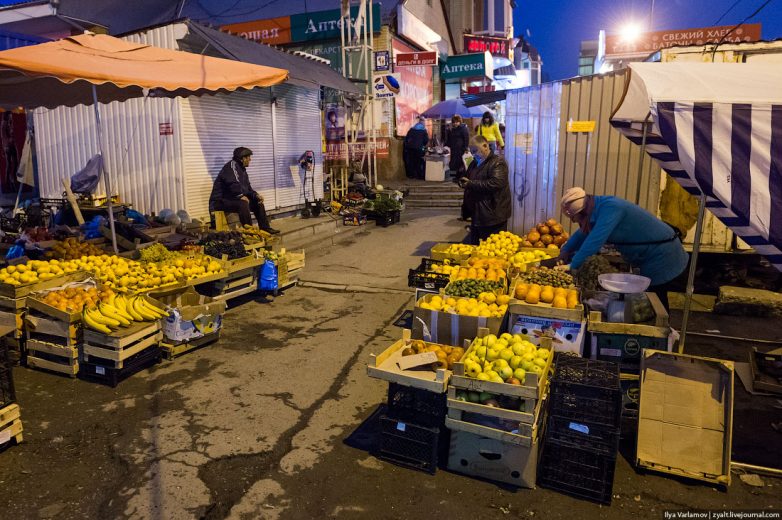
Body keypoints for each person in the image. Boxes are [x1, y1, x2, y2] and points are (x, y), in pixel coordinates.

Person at [558, 187, 689, 310]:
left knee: (656, 300)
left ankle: (665, 332)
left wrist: (572, 265)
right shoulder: (595, 208)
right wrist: (566, 250)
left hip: (662, 253)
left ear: (583, 212)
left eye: (574, 219)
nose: (574, 222)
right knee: (651, 298)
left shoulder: (611, 208)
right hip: (647, 254)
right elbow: (582, 233)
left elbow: (594, 240)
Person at [209, 147, 280, 233]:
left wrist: (256, 195)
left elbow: (248, 188)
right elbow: (233, 183)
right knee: (243, 204)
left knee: (258, 202)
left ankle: (265, 228)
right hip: (219, 202)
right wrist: (240, 195)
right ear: (243, 158)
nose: (250, 159)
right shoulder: (231, 166)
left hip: (231, 199)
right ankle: (249, 232)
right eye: (248, 157)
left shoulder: (242, 170)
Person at [458, 136, 512, 245]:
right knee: (476, 250)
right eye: (471, 151)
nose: (473, 154)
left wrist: (470, 183)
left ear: (485, 146)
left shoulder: (498, 162)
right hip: (477, 213)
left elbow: (496, 183)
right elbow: (468, 177)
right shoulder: (474, 163)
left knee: (492, 249)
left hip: (492, 215)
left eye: (475, 150)